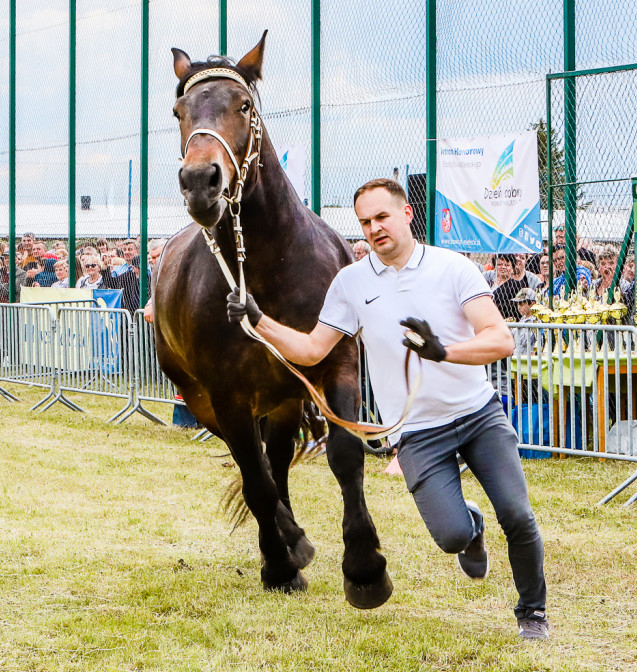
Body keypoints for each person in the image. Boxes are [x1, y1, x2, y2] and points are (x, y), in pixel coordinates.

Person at [226, 178, 548, 640]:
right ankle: (471, 528)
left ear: (407, 215)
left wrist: (443, 351)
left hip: (479, 417)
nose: (374, 229)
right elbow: (313, 349)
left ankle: (532, 613)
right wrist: (259, 320)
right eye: (364, 222)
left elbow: (501, 340)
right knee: (451, 537)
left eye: (382, 217)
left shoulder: (452, 268)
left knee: (518, 516)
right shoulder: (351, 283)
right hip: (417, 433)